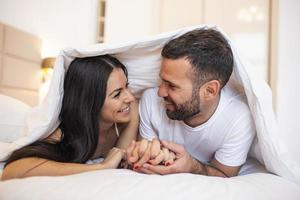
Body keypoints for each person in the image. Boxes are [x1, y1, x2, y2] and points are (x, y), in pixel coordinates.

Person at [126, 28, 256, 177]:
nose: (160, 92)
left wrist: (192, 166)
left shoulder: (238, 118)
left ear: (210, 91)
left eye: (172, 85)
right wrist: (143, 154)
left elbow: (224, 176)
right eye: (162, 81)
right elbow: (143, 161)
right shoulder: (150, 101)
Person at [2, 55, 139, 180]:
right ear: (91, 102)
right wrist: (100, 167)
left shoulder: (130, 111)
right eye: (117, 94)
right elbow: (12, 170)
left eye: (126, 87)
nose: (130, 97)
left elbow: (122, 160)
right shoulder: (64, 133)